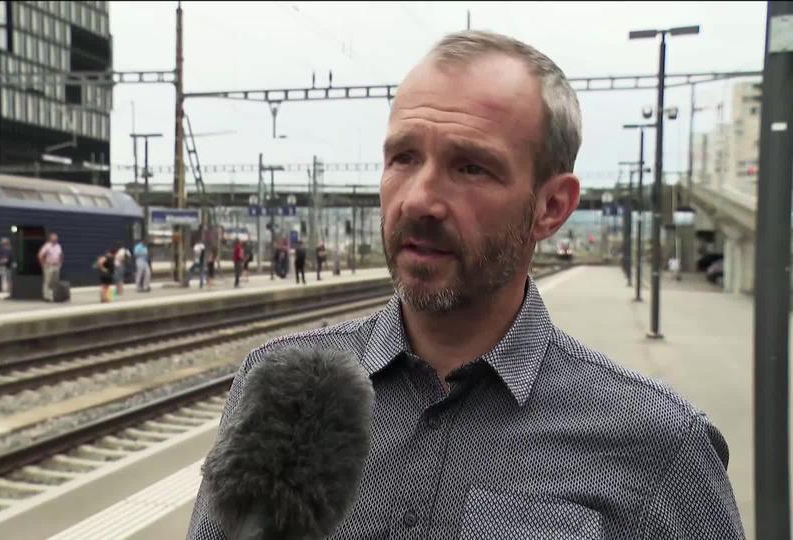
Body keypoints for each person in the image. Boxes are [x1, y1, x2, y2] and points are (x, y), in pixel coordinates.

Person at [188, 31, 743, 538]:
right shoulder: (277, 390)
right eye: (403, 157)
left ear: (551, 207)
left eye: (471, 168)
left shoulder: (659, 445)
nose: (419, 199)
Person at [38, 233, 63, 302]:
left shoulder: (58, 246)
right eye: (54, 238)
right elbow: (40, 255)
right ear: (50, 239)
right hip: (49, 266)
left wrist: (60, 264)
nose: (55, 240)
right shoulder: (47, 246)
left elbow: (61, 255)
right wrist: (43, 264)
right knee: (48, 281)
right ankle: (47, 297)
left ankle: (54, 296)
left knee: (55, 282)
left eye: (56, 238)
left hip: (56, 266)